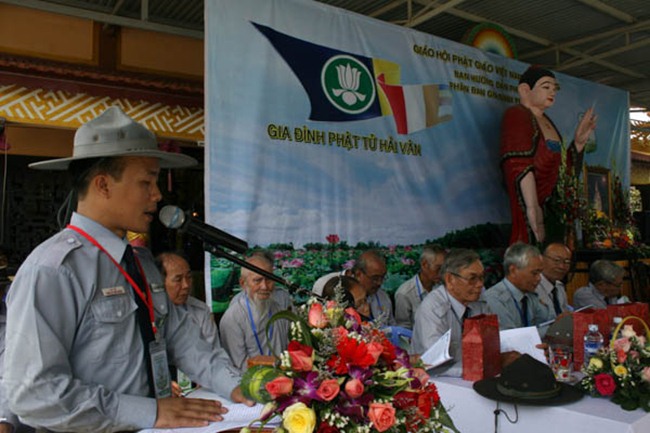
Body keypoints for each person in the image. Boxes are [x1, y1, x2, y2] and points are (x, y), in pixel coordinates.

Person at [3, 106, 252, 432]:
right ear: (103, 185)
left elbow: (185, 341)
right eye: (146, 181)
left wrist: (239, 386)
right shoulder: (53, 271)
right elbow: (35, 393)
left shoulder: (142, 263)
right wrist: (149, 412)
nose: (157, 195)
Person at [500, 65, 597, 245]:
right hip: (532, 202)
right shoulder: (517, 115)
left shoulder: (547, 121)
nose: (552, 92)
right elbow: (518, 164)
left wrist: (578, 143)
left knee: (556, 248)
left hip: (553, 205)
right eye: (546, 87)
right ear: (525, 90)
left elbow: (563, 169)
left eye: (554, 88)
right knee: (534, 246)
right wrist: (532, 206)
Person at [411, 249, 492, 376]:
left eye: (482, 277)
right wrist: (475, 369)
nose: (480, 284)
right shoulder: (432, 307)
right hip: (437, 377)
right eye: (472, 278)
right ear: (450, 279)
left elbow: (491, 340)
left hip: (475, 372)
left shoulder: (480, 299)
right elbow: (436, 361)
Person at [219, 253, 290, 370]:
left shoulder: (279, 309)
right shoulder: (232, 318)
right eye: (258, 280)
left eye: (269, 279)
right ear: (243, 283)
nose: (265, 286)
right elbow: (237, 365)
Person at [156, 251, 221, 350]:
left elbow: (213, 351)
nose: (186, 285)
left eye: (189, 277)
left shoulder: (200, 311)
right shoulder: (152, 312)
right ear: (160, 282)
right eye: (178, 280)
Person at [484, 243, 552, 333]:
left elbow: (545, 321)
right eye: (534, 273)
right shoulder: (495, 299)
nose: (539, 278)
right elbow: (510, 336)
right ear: (513, 271)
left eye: (540, 273)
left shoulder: (529, 294)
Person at [394, 244, 446, 329]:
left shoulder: (443, 287)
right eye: (438, 268)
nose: (442, 273)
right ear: (424, 265)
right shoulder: (404, 294)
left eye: (444, 268)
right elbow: (403, 329)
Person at [351, 250, 395, 325]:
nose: (379, 283)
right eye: (375, 278)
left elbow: (392, 325)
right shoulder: (338, 291)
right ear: (358, 274)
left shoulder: (384, 297)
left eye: (382, 277)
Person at [535, 242, 572, 319]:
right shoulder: (533, 286)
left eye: (567, 262)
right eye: (557, 260)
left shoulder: (559, 287)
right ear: (542, 259)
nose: (562, 266)